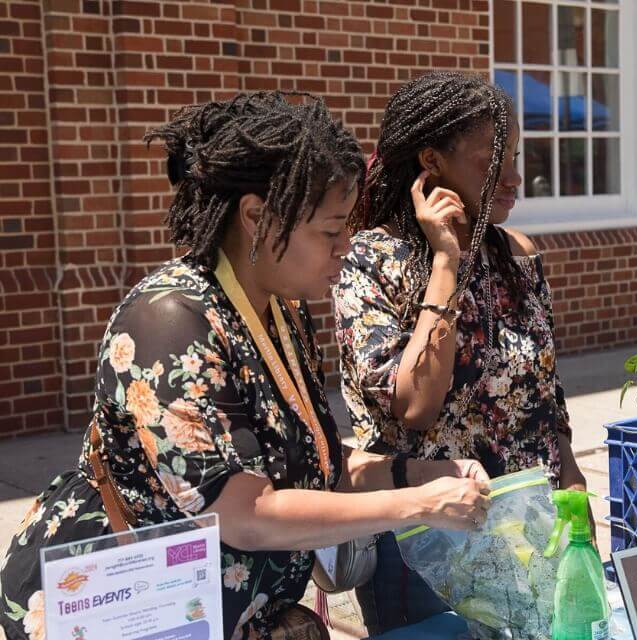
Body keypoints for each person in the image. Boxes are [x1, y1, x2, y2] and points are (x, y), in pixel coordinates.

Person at [0, 91, 492, 640]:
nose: (346, 248)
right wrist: (418, 503)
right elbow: (244, 513)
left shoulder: (281, 309)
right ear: (257, 216)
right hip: (119, 607)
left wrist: (420, 472)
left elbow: (315, 459)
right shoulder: (168, 321)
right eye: (330, 232)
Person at [332, 72, 588, 634]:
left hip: (531, 535)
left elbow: (546, 394)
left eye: (516, 156)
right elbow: (415, 407)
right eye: (490, 160)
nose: (515, 177)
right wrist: (446, 263)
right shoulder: (372, 262)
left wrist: (572, 485)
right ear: (432, 162)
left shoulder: (518, 257)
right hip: (428, 546)